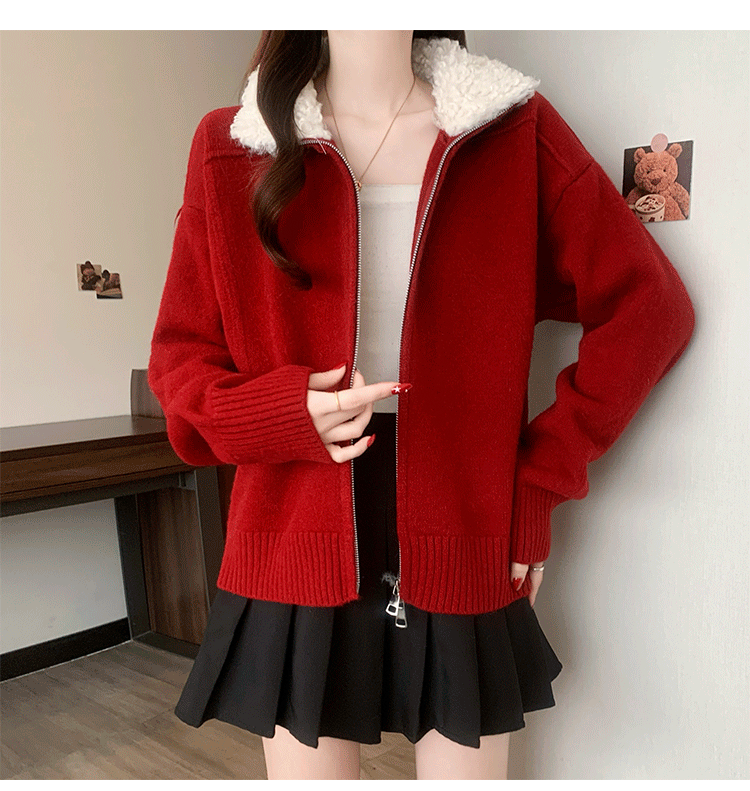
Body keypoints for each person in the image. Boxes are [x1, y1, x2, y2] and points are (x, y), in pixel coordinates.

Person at [147, 30, 696, 780]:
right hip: (293, 514)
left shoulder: (510, 127)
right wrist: (277, 413)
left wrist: (539, 482)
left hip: (463, 514)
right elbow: (179, 362)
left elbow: (649, 310)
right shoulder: (230, 143)